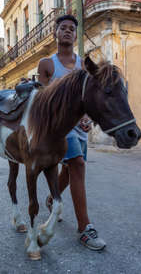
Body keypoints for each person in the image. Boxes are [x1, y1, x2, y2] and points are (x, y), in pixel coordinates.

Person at [37, 14, 106, 251]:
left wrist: (87, 118)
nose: (67, 31)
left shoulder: (84, 65)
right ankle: (85, 228)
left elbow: (89, 99)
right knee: (77, 163)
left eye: (71, 29)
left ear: (76, 35)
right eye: (62, 28)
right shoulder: (47, 64)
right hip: (59, 128)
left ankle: (51, 197)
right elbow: (44, 101)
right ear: (55, 33)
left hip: (80, 129)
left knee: (70, 168)